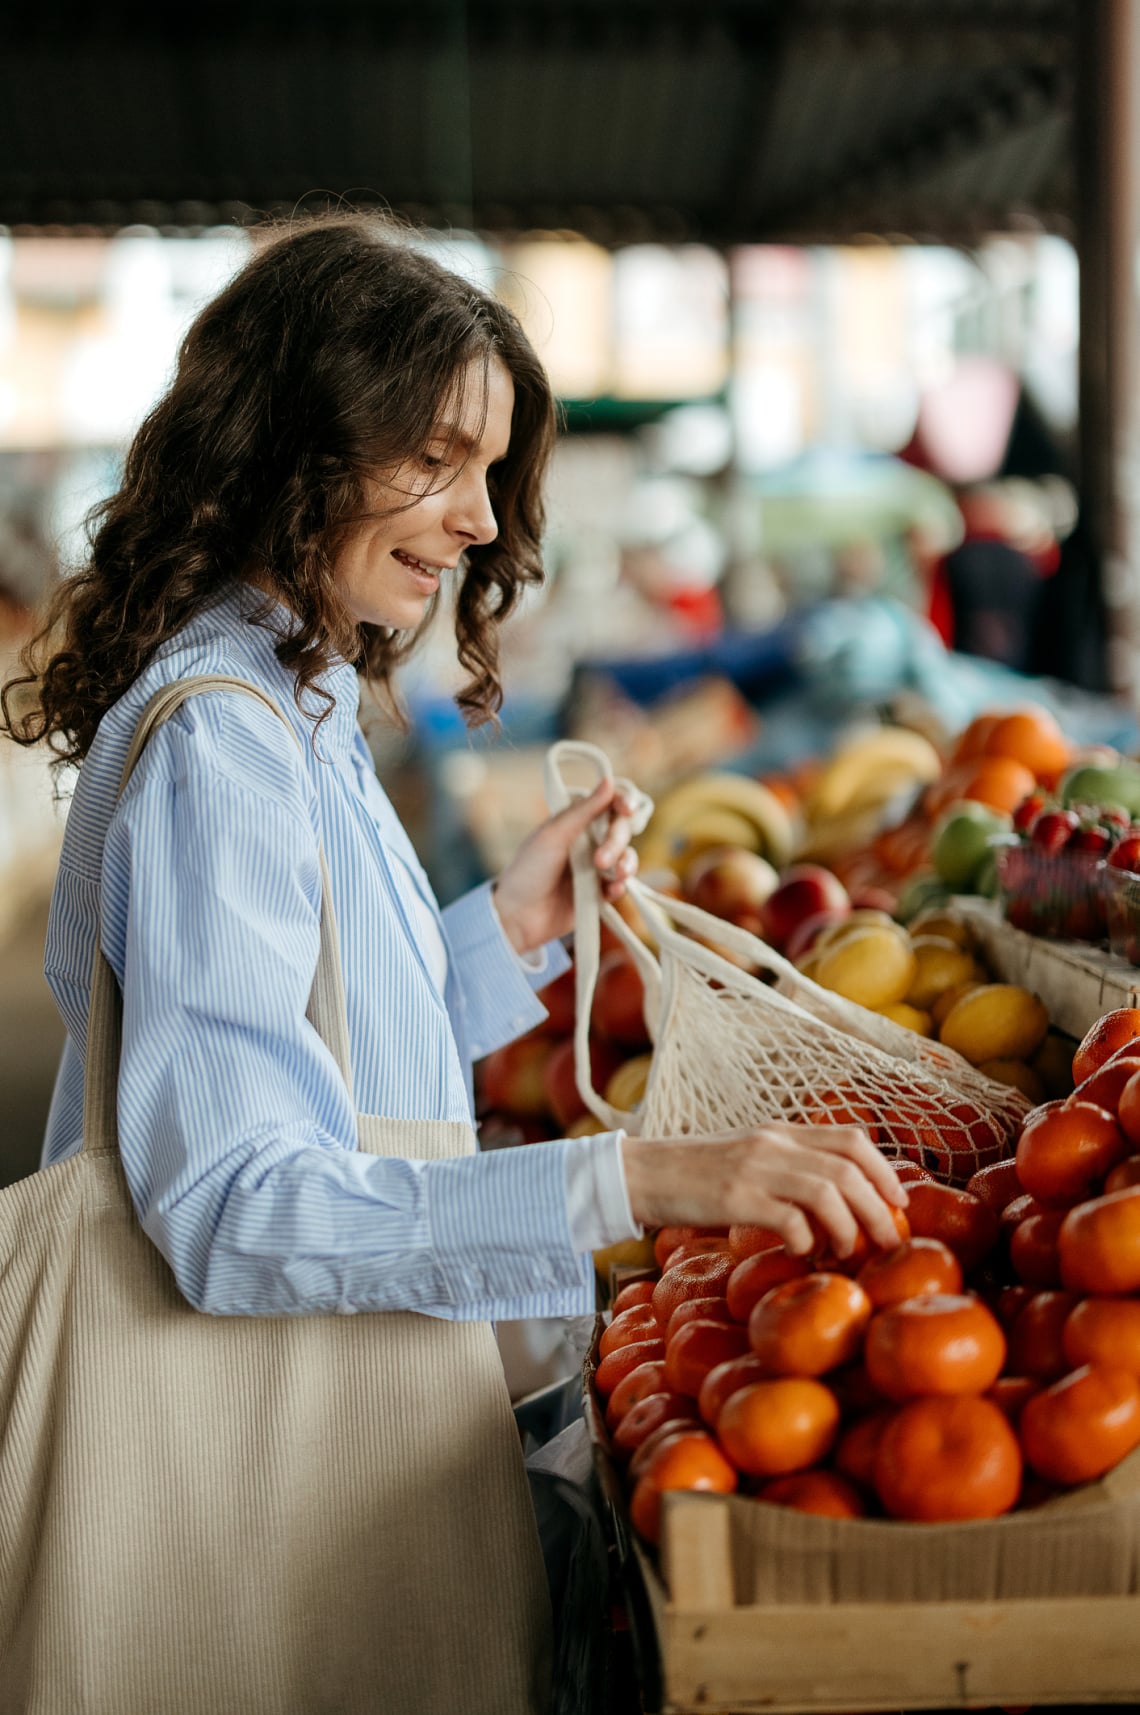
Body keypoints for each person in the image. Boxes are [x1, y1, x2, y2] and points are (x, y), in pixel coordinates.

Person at [1, 214, 906, 1714]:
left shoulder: (292, 695)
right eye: (439, 460)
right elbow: (232, 1204)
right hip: (246, 1494)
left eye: (490, 472)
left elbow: (326, 1048)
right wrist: (636, 1181)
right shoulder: (226, 737)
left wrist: (504, 932)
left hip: (308, 1459)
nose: (484, 522)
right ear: (298, 449)